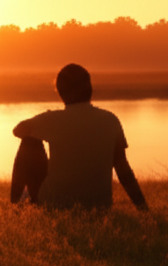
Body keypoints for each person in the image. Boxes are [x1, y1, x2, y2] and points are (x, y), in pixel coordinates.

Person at [10, 63, 148, 210]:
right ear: (90, 89)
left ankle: (15, 204)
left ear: (60, 92)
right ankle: (19, 203)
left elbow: (18, 130)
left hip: (55, 204)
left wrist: (44, 120)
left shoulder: (52, 120)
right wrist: (142, 207)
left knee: (29, 140)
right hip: (100, 207)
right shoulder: (111, 120)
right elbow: (123, 169)